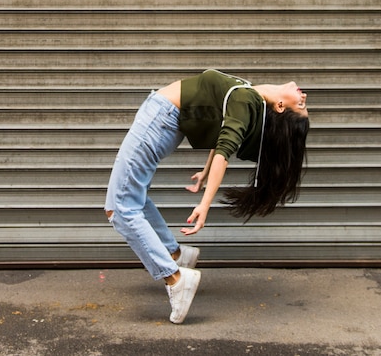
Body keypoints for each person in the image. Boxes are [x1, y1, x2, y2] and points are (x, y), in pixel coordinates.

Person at [105, 68, 309, 324]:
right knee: (132, 196)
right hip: (162, 117)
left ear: (280, 106)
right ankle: (176, 255)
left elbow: (225, 151)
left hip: (159, 119)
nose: (304, 95)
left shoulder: (247, 100)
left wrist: (204, 204)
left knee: (119, 208)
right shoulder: (249, 97)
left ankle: (175, 278)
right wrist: (204, 171)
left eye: (301, 104)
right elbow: (223, 133)